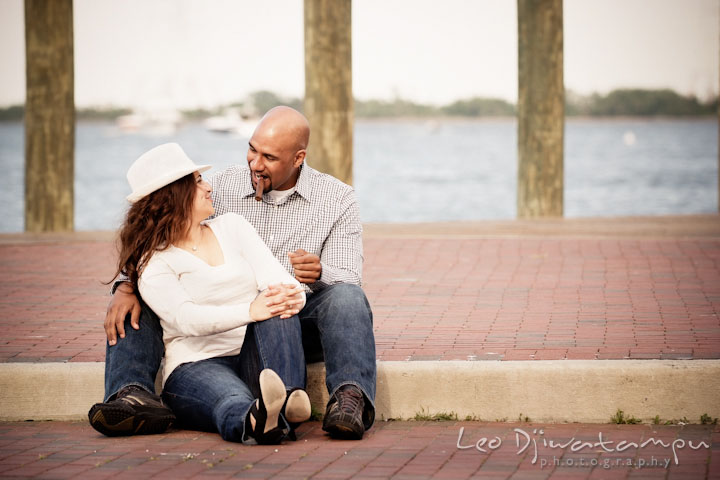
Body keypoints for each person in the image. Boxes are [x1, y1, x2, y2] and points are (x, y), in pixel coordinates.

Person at [91, 106, 376, 440]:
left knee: (345, 296)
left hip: (293, 319)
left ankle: (348, 398)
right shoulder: (223, 187)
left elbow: (347, 278)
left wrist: (318, 272)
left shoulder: (337, 198)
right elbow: (164, 220)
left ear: (298, 158)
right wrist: (126, 284)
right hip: (221, 326)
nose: (255, 164)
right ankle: (131, 393)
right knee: (134, 299)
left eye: (268, 157)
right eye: (252, 150)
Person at [89, 143, 311, 444]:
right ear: (173, 196)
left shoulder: (232, 226)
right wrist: (250, 311)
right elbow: (186, 318)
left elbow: (282, 281)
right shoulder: (154, 261)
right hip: (196, 363)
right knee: (229, 399)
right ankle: (259, 421)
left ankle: (285, 399)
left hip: (251, 356)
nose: (209, 187)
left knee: (278, 306)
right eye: (197, 182)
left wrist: (291, 296)